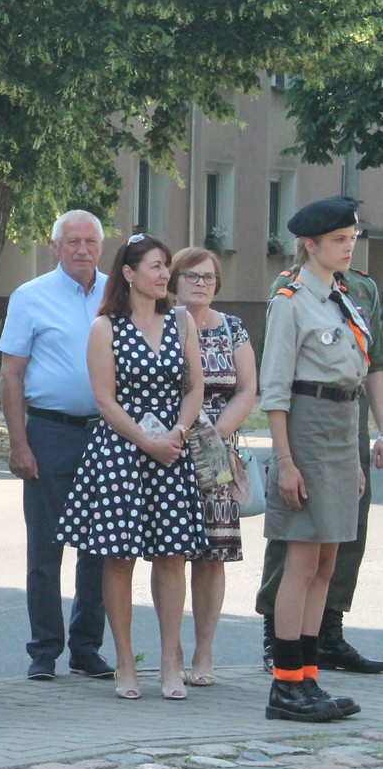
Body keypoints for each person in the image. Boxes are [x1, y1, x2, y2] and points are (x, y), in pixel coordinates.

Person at [56, 234, 206, 702]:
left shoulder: (181, 322)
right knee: (119, 558)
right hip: (121, 451)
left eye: (166, 267)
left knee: (171, 557)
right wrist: (146, 441)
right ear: (128, 273)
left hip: (172, 451)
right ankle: (124, 660)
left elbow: (194, 388)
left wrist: (176, 435)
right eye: (155, 266)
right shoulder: (106, 328)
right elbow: (104, 399)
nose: (164, 275)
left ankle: (169, 660)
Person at [257, 196, 383, 677]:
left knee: (328, 561)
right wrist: (285, 461)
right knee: (303, 560)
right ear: (309, 245)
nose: (349, 247)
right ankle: (287, 679)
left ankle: (309, 674)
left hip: (340, 427)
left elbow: (360, 374)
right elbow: (275, 389)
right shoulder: (290, 302)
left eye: (352, 239)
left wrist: (355, 453)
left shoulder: (344, 297)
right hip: (307, 427)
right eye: (338, 240)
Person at [0, 209, 112, 683]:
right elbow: (11, 373)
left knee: (101, 547)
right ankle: (44, 649)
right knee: (46, 548)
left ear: (101, 246)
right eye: (73, 242)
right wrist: (19, 442)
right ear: (56, 246)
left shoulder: (118, 292)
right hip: (51, 433)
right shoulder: (30, 297)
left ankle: (86, 648)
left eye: (90, 241)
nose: (82, 249)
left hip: (108, 433)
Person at [167, 247, 256, 687]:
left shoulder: (233, 328)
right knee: (171, 554)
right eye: (191, 276)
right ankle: (173, 651)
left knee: (212, 555)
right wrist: (184, 435)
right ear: (173, 281)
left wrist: (216, 436)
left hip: (216, 457)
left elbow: (247, 388)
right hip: (170, 450)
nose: (201, 284)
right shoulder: (163, 324)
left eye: (208, 277)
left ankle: (204, 650)